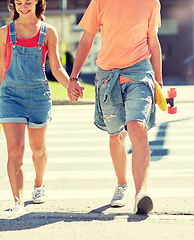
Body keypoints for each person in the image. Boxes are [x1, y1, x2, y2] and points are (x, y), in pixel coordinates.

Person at [68, 0, 163, 215]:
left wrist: (160, 83)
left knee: (137, 127)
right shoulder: (100, 2)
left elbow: (153, 40)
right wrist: (73, 77)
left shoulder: (150, 2)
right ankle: (122, 185)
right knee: (116, 135)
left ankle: (142, 193)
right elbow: (87, 39)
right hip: (108, 76)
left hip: (139, 72)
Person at [0, 0, 83, 212]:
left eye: (28, 2)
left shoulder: (48, 32)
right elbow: (2, 65)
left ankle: (39, 184)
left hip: (38, 96)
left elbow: (56, 67)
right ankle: (17, 202)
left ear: (37, 2)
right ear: (13, 4)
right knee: (15, 150)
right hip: (11, 96)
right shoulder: (5, 32)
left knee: (38, 149)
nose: (23, 6)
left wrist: (70, 85)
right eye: (19, 3)